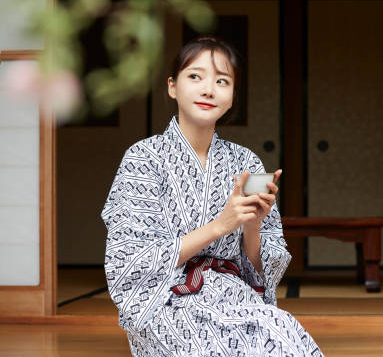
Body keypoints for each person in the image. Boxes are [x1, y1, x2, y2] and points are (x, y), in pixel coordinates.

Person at [101, 36, 324, 356]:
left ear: (233, 96)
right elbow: (131, 259)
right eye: (195, 76)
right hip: (165, 300)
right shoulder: (143, 159)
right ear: (172, 86)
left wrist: (252, 226)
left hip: (234, 295)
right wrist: (221, 225)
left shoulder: (246, 163)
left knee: (283, 334)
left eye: (222, 81)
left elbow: (261, 269)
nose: (208, 89)